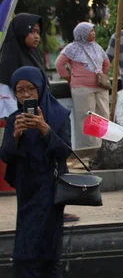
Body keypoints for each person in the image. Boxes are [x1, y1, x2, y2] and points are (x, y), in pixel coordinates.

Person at [0, 66, 71, 278]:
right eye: (20, 91)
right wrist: (16, 136)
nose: (26, 95)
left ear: (40, 87)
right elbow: (5, 156)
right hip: (27, 191)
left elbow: (64, 151)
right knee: (24, 255)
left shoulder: (58, 115)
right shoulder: (14, 119)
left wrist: (44, 129)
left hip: (51, 191)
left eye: (31, 89)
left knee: (48, 253)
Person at [56, 22, 109, 150]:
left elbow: (106, 62)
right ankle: (90, 149)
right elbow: (59, 64)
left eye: (93, 31)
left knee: (103, 116)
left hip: (100, 88)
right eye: (90, 31)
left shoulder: (97, 47)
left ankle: (104, 146)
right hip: (82, 88)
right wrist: (70, 78)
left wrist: (101, 76)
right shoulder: (72, 48)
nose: (93, 33)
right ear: (82, 34)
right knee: (86, 118)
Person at [0, 13, 45, 123]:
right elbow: (7, 96)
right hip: (21, 121)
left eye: (38, 32)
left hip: (40, 117)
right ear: (21, 31)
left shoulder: (34, 55)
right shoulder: (9, 61)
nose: (36, 36)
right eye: (32, 31)